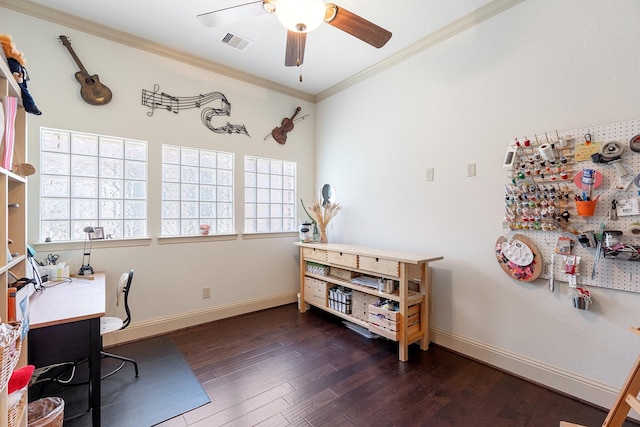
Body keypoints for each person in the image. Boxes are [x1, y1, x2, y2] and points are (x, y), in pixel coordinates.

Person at [0, 34, 42, 115]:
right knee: (24, 91)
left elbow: (16, 72)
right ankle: (31, 106)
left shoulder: (12, 61)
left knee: (24, 91)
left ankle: (31, 106)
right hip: (20, 79)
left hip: (19, 79)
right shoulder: (14, 61)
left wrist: (17, 76)